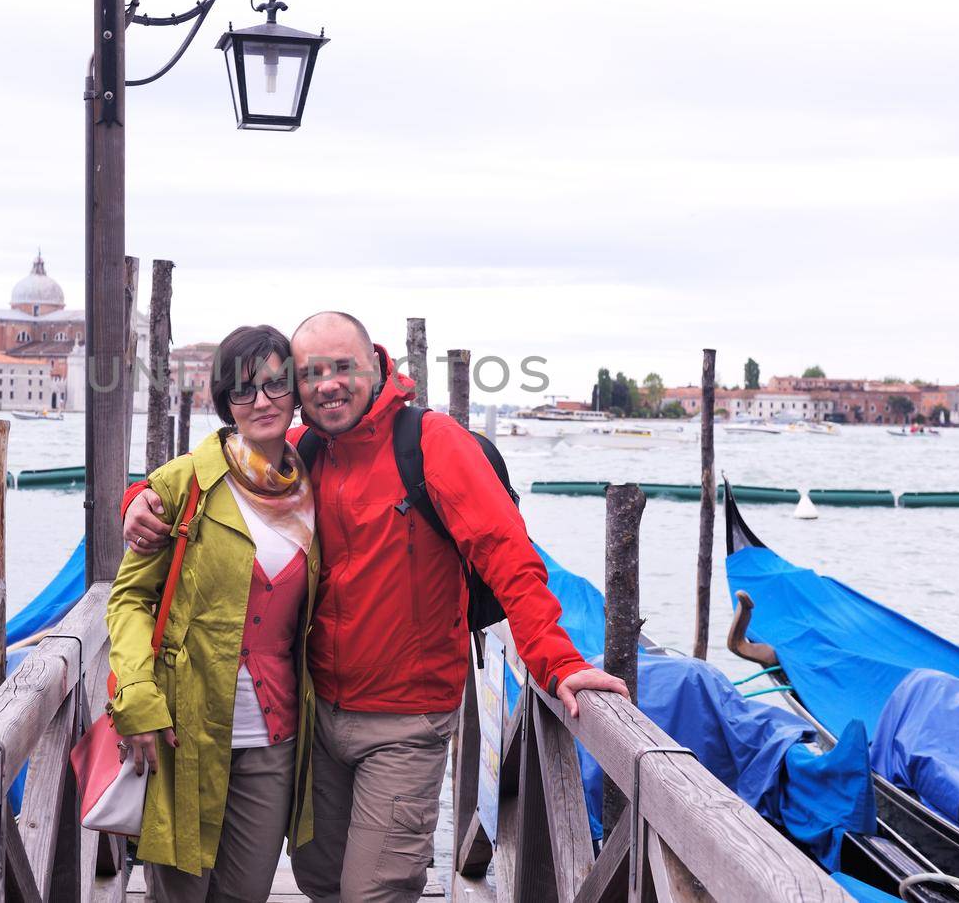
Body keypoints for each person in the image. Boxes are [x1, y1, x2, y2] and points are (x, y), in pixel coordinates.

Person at [125, 312, 627, 903]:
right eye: (311, 373)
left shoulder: (434, 444)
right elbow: (216, 472)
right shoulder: (301, 450)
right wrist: (139, 500)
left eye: (343, 368)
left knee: (375, 892)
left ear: (377, 367)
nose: (328, 384)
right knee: (319, 877)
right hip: (315, 717)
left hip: (405, 719)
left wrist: (557, 662)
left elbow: (508, 558)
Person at [107, 324, 319, 902]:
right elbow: (129, 600)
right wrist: (137, 699)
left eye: (276, 385)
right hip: (184, 731)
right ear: (224, 402)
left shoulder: (315, 486)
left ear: (296, 392)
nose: (263, 402)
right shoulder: (184, 483)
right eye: (244, 390)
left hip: (274, 738)